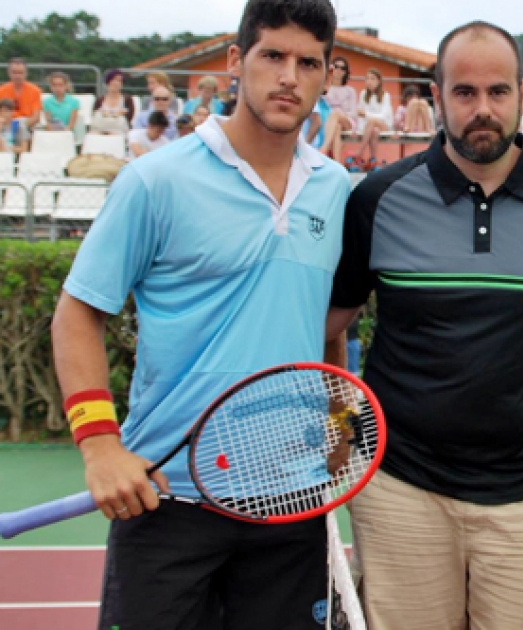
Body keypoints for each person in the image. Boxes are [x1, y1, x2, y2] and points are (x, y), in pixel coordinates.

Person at [326, 20, 523, 630]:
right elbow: (327, 325)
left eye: (497, 92)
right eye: (464, 93)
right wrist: (339, 417)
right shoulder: (377, 199)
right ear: (436, 97)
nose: (482, 109)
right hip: (398, 491)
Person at [49, 1, 349, 629]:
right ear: (236, 62)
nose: (289, 76)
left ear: (327, 77)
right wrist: (101, 442)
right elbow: (77, 313)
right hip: (168, 501)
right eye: (273, 56)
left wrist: (340, 422)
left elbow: (327, 326)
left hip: (292, 506)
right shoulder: (155, 181)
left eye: (308, 62)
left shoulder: (337, 190)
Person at [348, 68, 393, 171]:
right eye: (367, 78)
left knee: (372, 122)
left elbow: (383, 116)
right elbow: (359, 114)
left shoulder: (385, 95)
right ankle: (373, 159)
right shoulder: (363, 94)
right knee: (374, 130)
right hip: (369, 127)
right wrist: (360, 128)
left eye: (372, 79)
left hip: (385, 125)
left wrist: (366, 114)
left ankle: (360, 152)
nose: (369, 81)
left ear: (378, 81)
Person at [319, 55, 358, 160]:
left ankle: (324, 149)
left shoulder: (350, 91)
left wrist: (341, 114)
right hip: (330, 122)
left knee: (336, 113)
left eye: (343, 68)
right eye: (337, 66)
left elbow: (353, 113)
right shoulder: (325, 89)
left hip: (348, 121)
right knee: (337, 127)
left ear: (346, 72)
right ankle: (337, 162)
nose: (339, 70)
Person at [0, 58, 42, 134]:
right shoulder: (2, 91)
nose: (17, 76)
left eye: (20, 73)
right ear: (9, 73)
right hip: (6, 125)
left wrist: (20, 127)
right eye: (14, 72)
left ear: (26, 73)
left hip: (27, 125)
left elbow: (36, 117)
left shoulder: (35, 91)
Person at [91, 69, 136, 135]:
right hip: (100, 131)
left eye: (119, 81)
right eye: (113, 80)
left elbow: (128, 118)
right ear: (108, 82)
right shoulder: (100, 100)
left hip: (120, 131)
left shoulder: (128, 100)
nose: (116, 83)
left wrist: (108, 115)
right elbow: (95, 115)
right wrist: (115, 114)